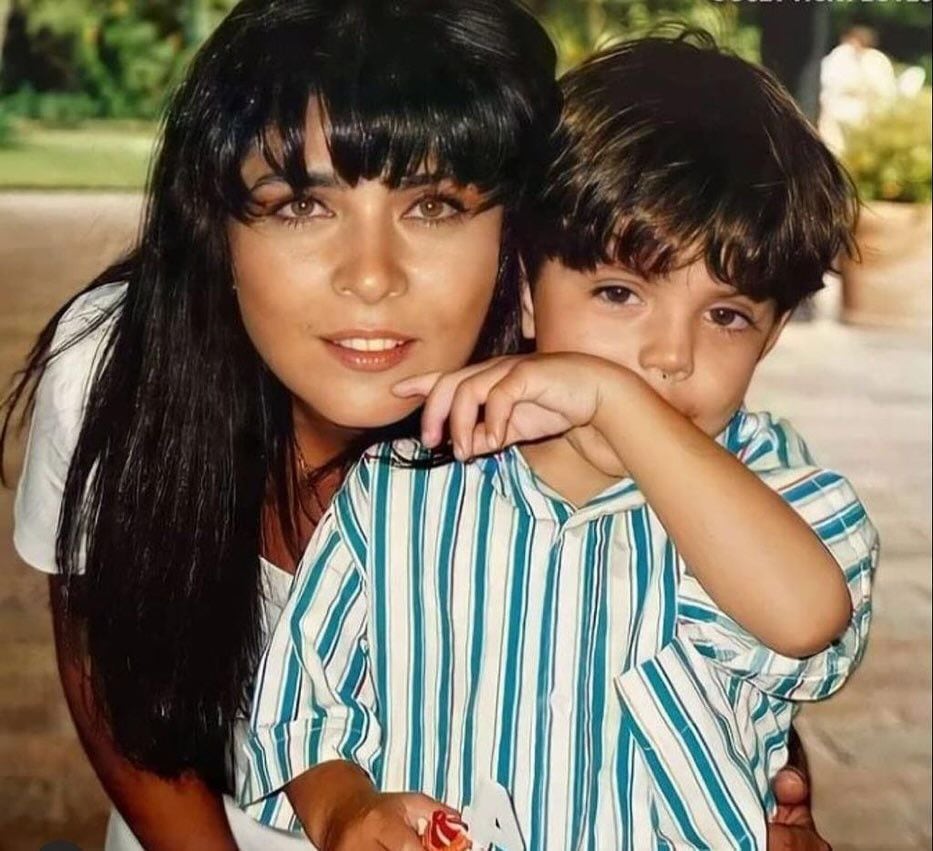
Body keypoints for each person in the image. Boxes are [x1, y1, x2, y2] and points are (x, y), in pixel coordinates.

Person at [242, 34, 878, 850]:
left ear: (772, 333)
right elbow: (304, 706)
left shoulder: (777, 494)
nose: (668, 357)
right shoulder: (399, 492)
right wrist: (343, 812)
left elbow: (804, 619)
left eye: (726, 315)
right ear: (528, 292)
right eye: (618, 292)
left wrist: (611, 397)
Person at [1, 1, 560, 848]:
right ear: (216, 227)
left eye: (436, 205)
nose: (371, 276)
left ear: (510, 232)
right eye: (301, 205)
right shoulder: (113, 371)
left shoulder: (573, 418)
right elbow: (107, 669)